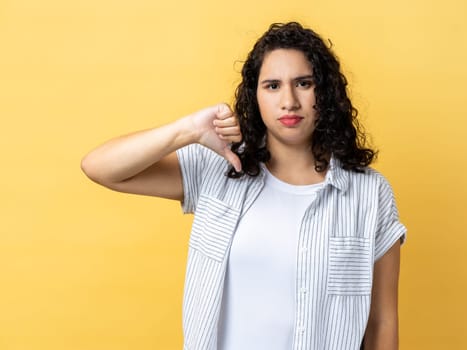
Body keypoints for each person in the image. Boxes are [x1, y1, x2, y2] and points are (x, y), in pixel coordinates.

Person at [81, 22, 406, 350]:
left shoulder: (369, 194)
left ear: (325, 91)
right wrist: (188, 131)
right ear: (255, 95)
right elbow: (101, 168)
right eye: (272, 85)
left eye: (304, 83)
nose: (289, 101)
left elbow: (381, 321)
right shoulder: (217, 168)